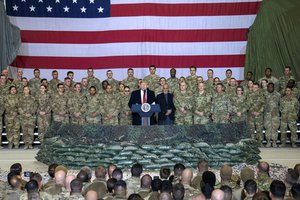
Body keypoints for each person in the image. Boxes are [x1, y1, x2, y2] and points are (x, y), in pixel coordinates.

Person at [264, 83, 280, 147]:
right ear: (267, 87)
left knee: (275, 128)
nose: (270, 88)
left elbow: (280, 104)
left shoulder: (278, 95)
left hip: (275, 114)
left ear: (274, 87)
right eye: (269, 87)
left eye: (271, 87)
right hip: (267, 114)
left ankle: (274, 142)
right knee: (267, 128)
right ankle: (268, 141)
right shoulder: (264, 94)